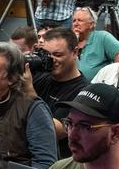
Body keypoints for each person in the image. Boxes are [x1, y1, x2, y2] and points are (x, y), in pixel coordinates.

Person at [31, 27, 88, 155]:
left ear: (75, 53)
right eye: (47, 55)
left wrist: (28, 91)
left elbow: (53, 131)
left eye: (58, 55)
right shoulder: (40, 77)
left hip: (56, 157)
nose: (51, 60)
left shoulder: (83, 91)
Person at [71, 7, 119, 82]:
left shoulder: (102, 37)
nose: (76, 24)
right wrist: (73, 41)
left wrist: (114, 78)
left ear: (91, 24)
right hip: (72, 85)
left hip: (96, 86)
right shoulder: (69, 40)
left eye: (80, 20)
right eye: (74, 21)